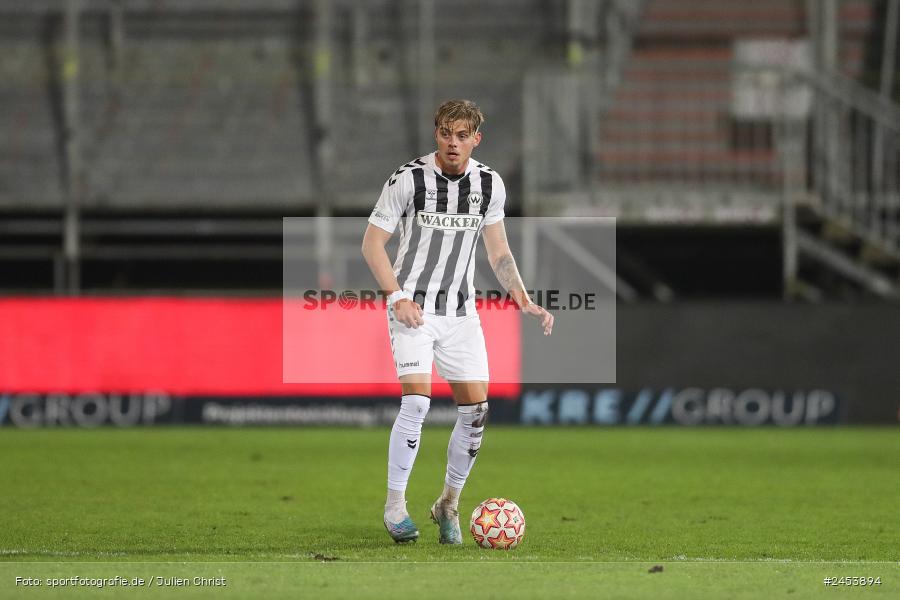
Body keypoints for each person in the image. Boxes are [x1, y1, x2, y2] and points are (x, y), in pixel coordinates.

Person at [361, 99, 553, 544]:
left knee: (477, 412)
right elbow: (372, 244)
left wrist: (523, 298)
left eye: (463, 135)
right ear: (436, 134)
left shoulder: (489, 185)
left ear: (475, 139)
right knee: (417, 404)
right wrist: (398, 297)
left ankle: (447, 503)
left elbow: (498, 251)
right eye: (447, 133)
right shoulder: (407, 179)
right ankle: (394, 508)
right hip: (415, 312)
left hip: (462, 315)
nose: (454, 142)